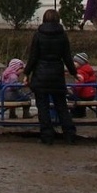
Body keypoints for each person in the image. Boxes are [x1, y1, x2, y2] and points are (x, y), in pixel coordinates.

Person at [24, 8, 77, 145]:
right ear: (58, 20)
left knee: (43, 108)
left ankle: (47, 137)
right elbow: (67, 57)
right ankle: (69, 135)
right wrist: (74, 73)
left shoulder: (38, 35)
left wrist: (26, 73)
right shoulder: (62, 35)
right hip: (57, 76)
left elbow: (33, 57)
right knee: (61, 106)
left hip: (41, 75)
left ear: (44, 19)